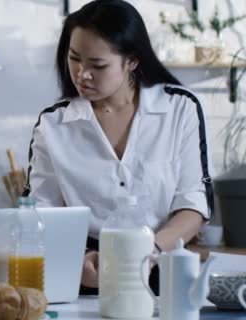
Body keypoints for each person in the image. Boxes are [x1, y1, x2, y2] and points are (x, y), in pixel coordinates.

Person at [23, 0, 212, 294]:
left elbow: (193, 203)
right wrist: (76, 261)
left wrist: (149, 251)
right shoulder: (54, 124)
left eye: (98, 65)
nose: (82, 74)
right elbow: (38, 213)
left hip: (162, 269)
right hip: (86, 271)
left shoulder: (179, 108)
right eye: (74, 58)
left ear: (132, 61)